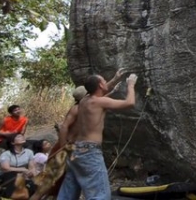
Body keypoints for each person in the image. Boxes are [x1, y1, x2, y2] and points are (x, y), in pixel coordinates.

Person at [56, 71, 138, 200]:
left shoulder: (84, 100)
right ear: (100, 85)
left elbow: (102, 89)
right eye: (104, 81)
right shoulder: (100, 102)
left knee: (68, 192)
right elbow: (129, 103)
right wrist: (131, 85)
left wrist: (115, 79)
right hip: (89, 152)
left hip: (75, 150)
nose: (106, 83)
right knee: (100, 195)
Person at [0, 133, 37, 199]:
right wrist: (22, 169)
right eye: (18, 137)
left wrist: (32, 173)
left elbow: (32, 166)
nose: (22, 137)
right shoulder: (6, 154)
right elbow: (5, 168)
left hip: (22, 176)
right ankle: (4, 194)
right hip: (6, 177)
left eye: (22, 136)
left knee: (33, 186)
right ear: (12, 142)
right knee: (13, 176)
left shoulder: (29, 152)